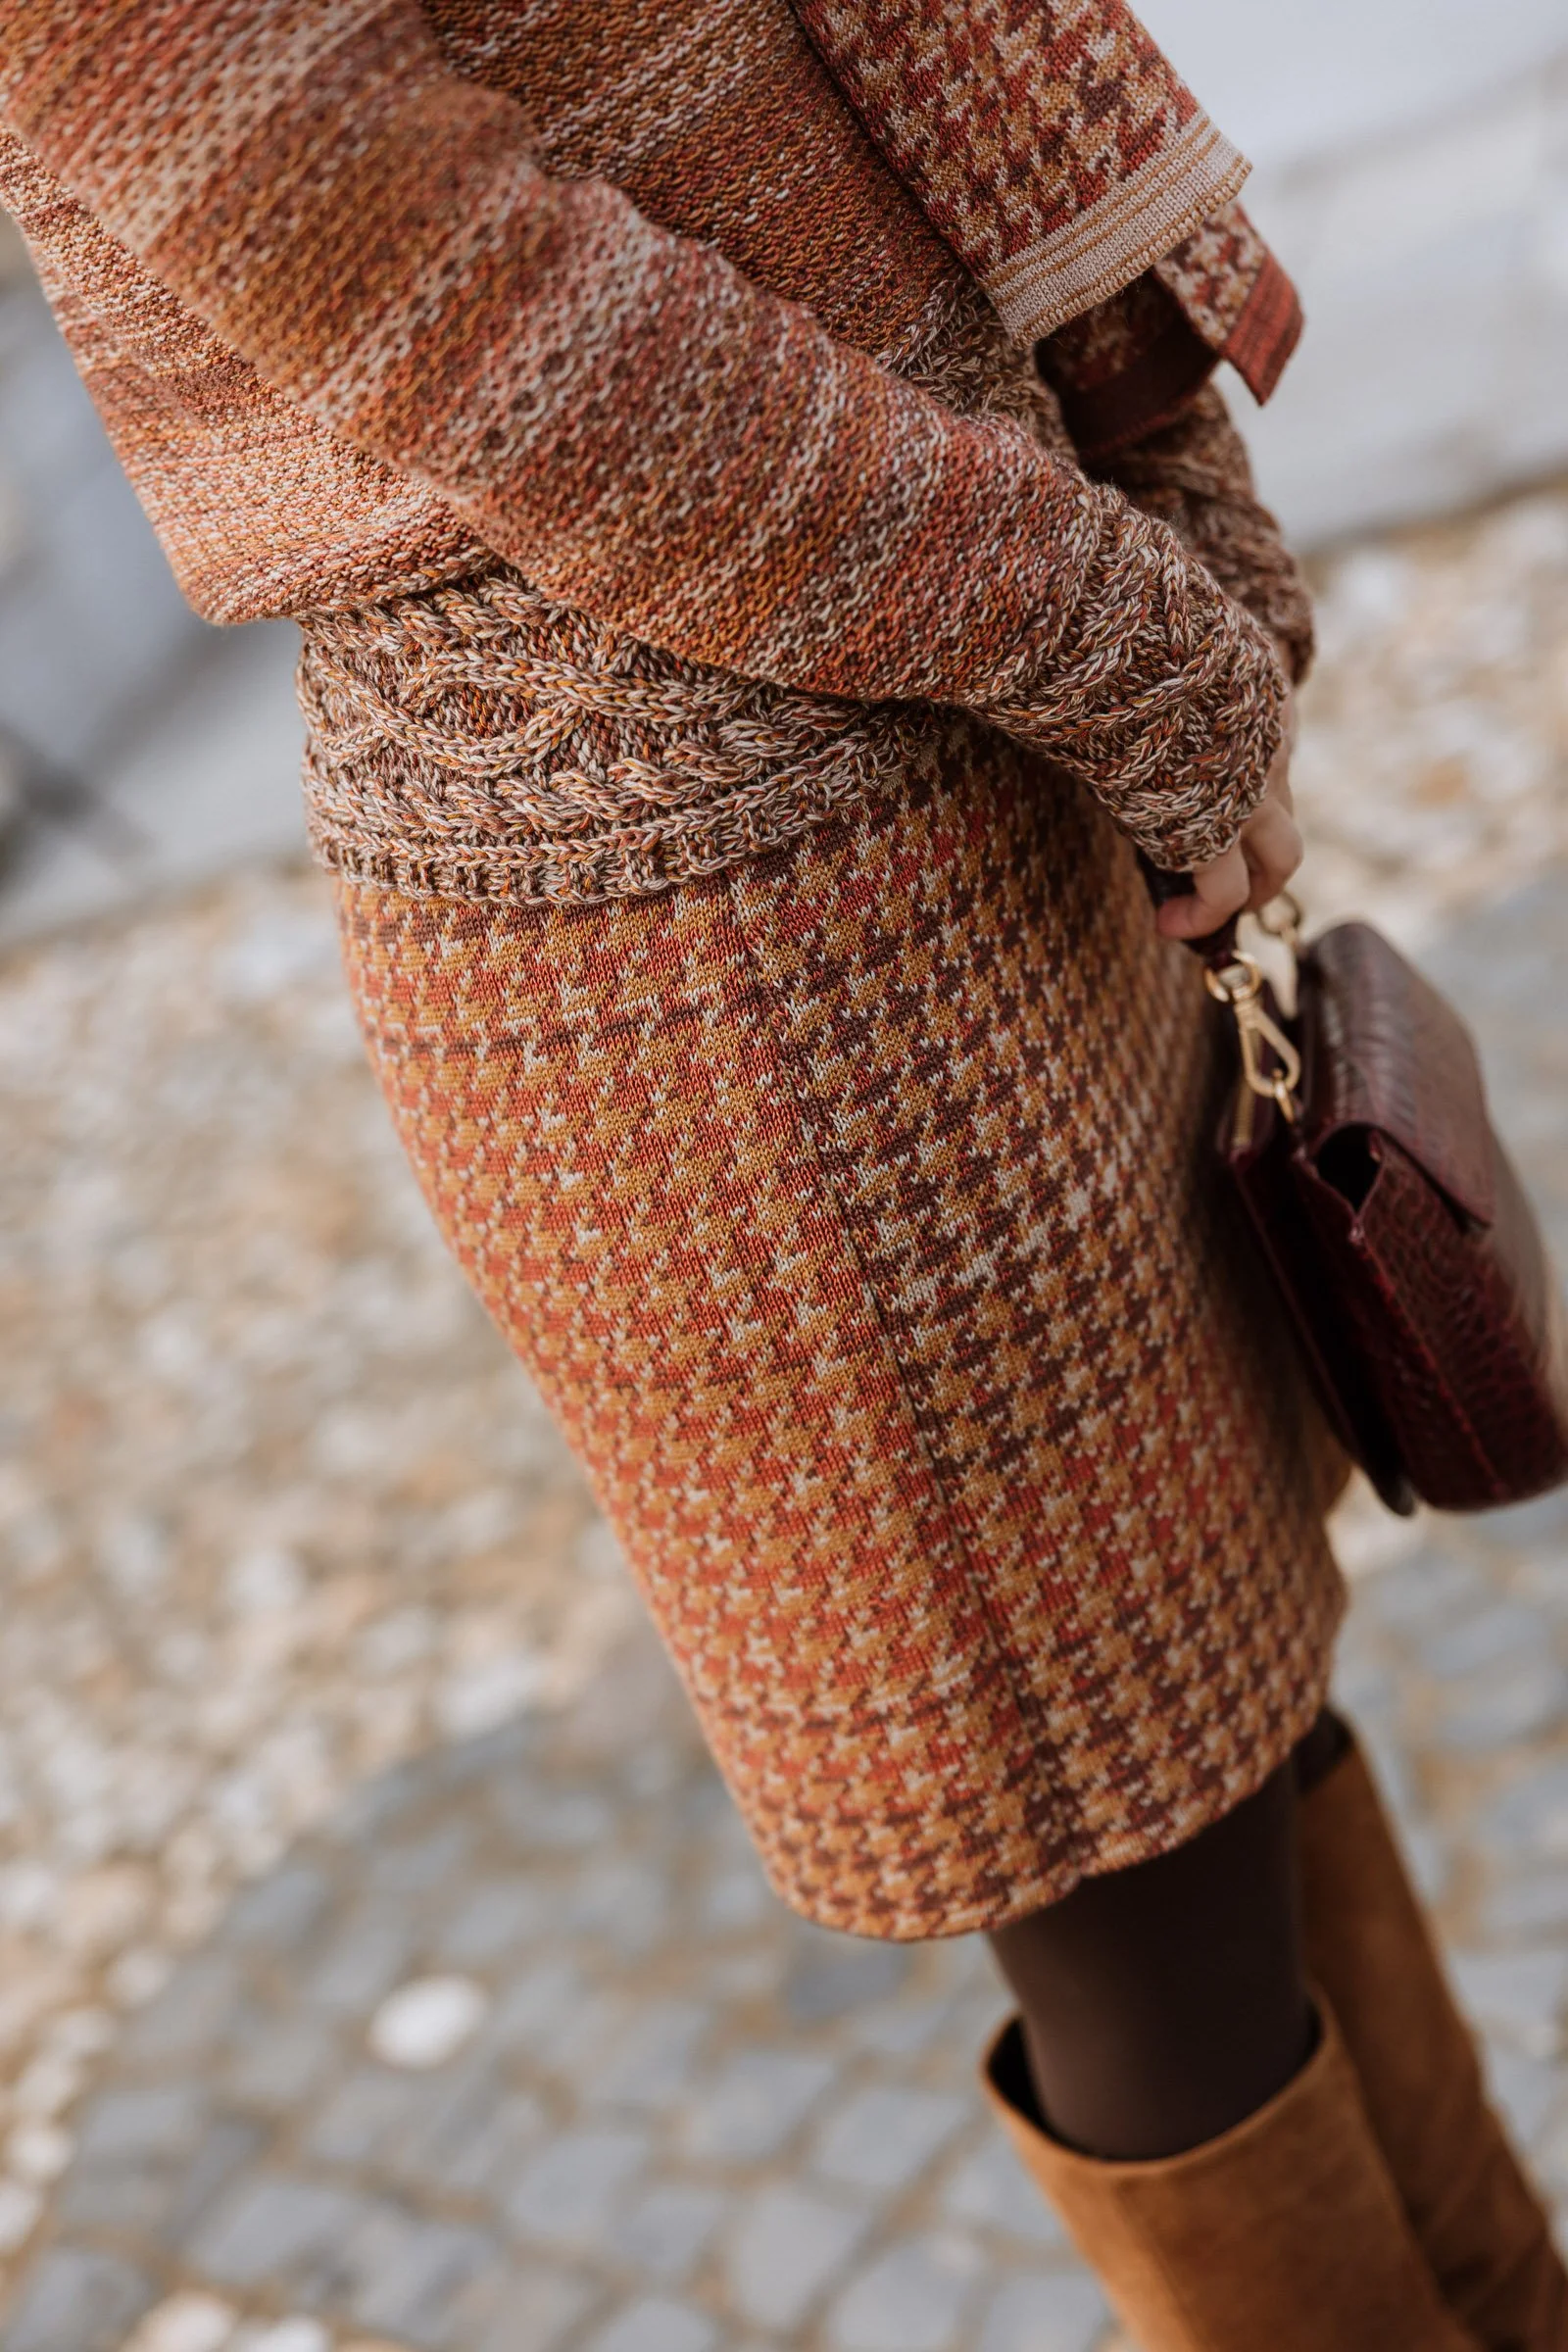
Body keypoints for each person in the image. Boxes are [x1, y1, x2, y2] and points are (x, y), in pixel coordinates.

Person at [3, 3, 1563, 2342]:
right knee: (1128, 1876)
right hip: (713, 930)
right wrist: (1128, 635)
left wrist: (1164, 466)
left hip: (996, 693)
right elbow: (488, 318)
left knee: (1239, 1710)